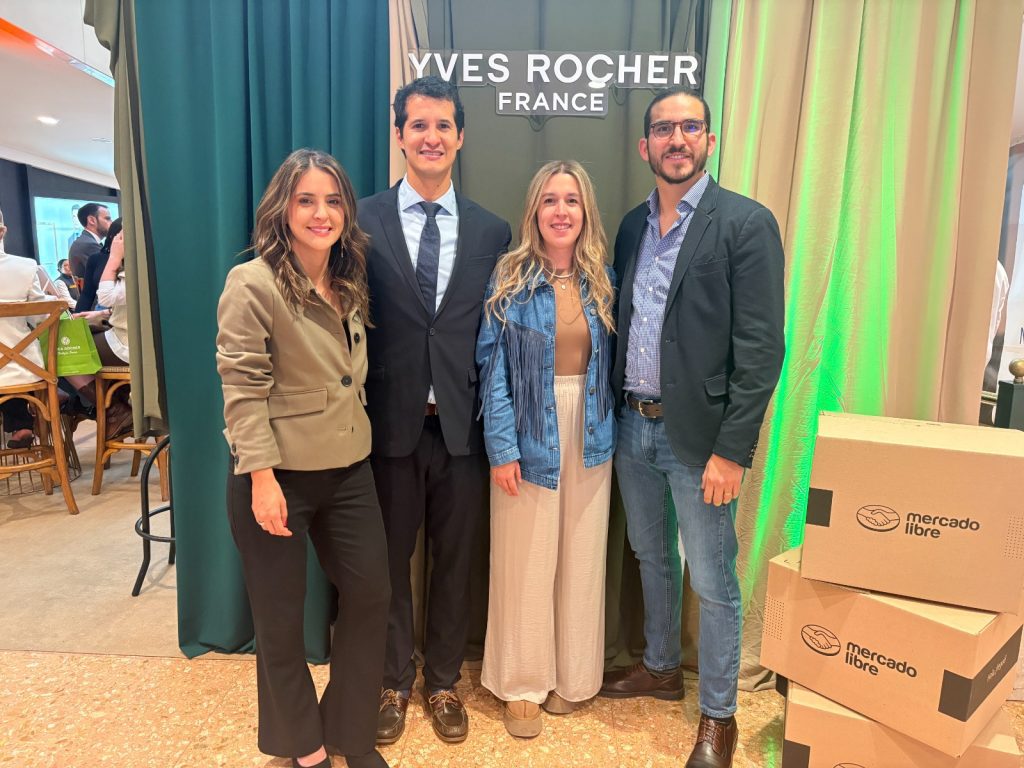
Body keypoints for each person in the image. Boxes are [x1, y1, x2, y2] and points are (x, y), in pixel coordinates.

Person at [599, 86, 785, 768]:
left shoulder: (745, 223)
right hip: (633, 426)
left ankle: (719, 716)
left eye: (689, 127)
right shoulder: (631, 226)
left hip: (702, 440)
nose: (676, 138)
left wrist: (732, 450)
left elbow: (762, 349)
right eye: (663, 128)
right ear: (644, 145)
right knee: (649, 556)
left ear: (709, 139)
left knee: (711, 577)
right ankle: (658, 666)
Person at [216, 148, 391, 768]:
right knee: (280, 619)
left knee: (372, 597)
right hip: (278, 476)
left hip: (349, 468)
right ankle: (306, 747)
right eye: (307, 200)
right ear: (283, 209)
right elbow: (242, 387)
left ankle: (349, 731)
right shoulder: (252, 282)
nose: (322, 214)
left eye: (333, 200)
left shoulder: (349, 278)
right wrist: (261, 478)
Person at [358, 75, 511, 745]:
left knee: (454, 563)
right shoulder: (360, 220)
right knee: (388, 564)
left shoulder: (491, 230)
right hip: (385, 426)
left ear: (460, 137)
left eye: (443, 125)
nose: (431, 137)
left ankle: (443, 681)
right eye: (418, 125)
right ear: (399, 135)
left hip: (462, 430)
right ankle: (393, 682)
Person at [475, 161, 616, 738]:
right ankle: (523, 683)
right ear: (534, 211)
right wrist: (502, 448)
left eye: (572, 201)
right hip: (528, 429)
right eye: (550, 200)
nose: (562, 211)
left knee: (581, 558)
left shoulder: (603, 279)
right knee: (526, 560)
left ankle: (573, 677)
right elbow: (492, 369)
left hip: (592, 428)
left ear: (586, 212)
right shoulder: (509, 278)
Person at [0, 207, 56, 449]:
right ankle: (24, 423)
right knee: (14, 362)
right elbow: (41, 317)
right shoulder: (25, 267)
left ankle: (20, 423)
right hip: (27, 368)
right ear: (2, 232)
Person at [75, 218, 122, 313]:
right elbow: (87, 294)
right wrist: (77, 318)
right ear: (113, 236)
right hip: (101, 311)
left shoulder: (138, 260)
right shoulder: (96, 259)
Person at [68, 202, 111, 280]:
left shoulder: (85, 241)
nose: (111, 222)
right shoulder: (89, 244)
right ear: (91, 220)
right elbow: (110, 275)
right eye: (107, 219)